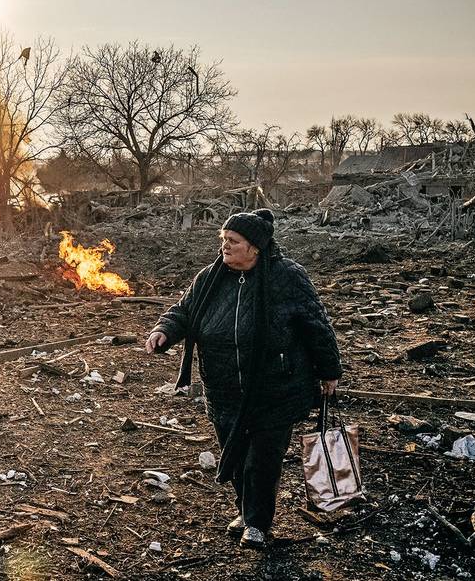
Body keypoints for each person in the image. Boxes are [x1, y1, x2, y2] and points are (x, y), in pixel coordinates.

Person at [145, 209, 341, 548]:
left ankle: (257, 523)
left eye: (233, 241)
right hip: (223, 389)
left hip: (274, 389)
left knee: (262, 459)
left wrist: (329, 371)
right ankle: (245, 511)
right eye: (223, 240)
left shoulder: (286, 277)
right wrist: (165, 330)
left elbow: (315, 324)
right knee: (233, 453)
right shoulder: (210, 277)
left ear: (256, 247)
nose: (225, 246)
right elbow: (184, 310)